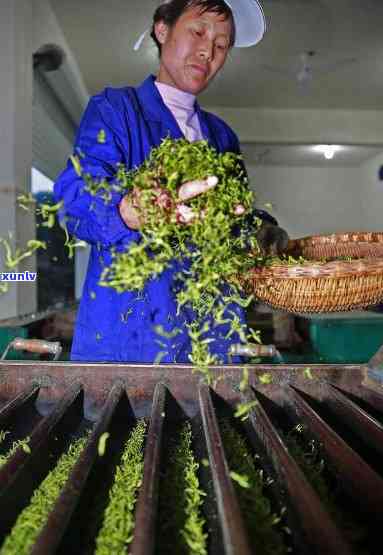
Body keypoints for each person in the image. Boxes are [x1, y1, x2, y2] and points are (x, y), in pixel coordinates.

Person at [54, 0, 287, 363]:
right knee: (128, 423)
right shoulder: (116, 110)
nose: (208, 50)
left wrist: (258, 231)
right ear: (162, 29)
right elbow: (76, 197)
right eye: (198, 31)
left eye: (222, 44)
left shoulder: (222, 137)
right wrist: (127, 210)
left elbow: (234, 219)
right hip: (131, 343)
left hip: (214, 341)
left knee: (216, 420)